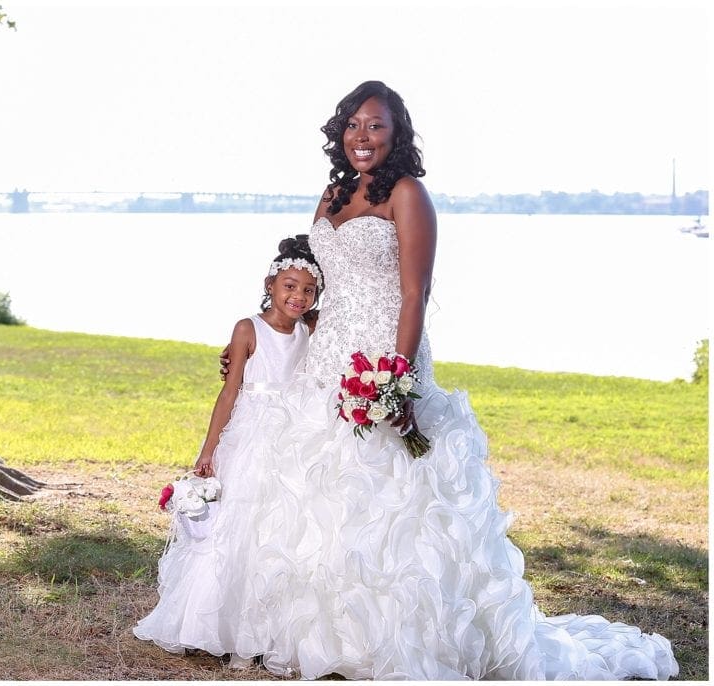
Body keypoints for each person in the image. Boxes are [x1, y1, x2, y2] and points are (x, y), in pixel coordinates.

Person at [211, 81, 679, 680]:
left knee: (388, 497)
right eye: (353, 124)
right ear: (340, 131)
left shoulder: (408, 195)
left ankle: (388, 636)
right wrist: (258, 341)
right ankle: (312, 630)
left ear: (396, 133)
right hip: (325, 360)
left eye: (376, 126)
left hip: (384, 359)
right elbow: (315, 293)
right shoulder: (330, 196)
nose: (362, 136)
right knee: (312, 494)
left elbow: (415, 294)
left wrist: (396, 383)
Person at [133, 235, 323, 667]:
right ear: (270, 284)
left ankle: (263, 627)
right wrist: (209, 449)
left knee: (278, 526)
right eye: (289, 285)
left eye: (308, 290)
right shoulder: (247, 328)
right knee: (236, 523)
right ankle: (211, 623)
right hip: (251, 433)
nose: (298, 296)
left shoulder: (309, 330)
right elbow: (229, 391)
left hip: (292, 435)